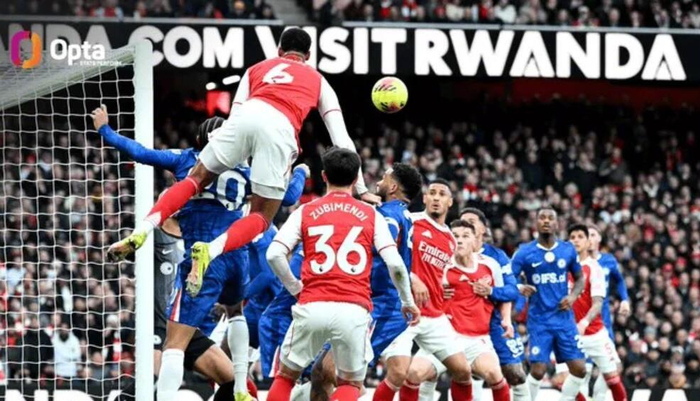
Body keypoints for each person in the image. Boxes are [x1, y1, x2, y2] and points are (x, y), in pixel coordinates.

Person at [107, 28, 380, 299]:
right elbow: (341, 138)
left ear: (279, 51)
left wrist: (226, 148)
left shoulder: (255, 69)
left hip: (245, 116)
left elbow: (235, 112)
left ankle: (142, 229)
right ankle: (210, 250)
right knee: (261, 217)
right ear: (308, 55)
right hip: (280, 128)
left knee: (194, 179)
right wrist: (361, 188)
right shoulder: (318, 80)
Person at [91, 110, 303, 400]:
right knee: (236, 312)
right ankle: (240, 387)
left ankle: (168, 397)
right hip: (235, 254)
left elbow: (139, 152)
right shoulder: (246, 170)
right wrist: (298, 170)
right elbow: (288, 197)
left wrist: (105, 130)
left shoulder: (189, 160)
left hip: (202, 258)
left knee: (174, 347)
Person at [265, 148, 419, 401]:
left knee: (286, 377)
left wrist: (295, 288)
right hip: (354, 308)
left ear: (324, 176)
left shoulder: (306, 210)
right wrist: (407, 301)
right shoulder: (372, 215)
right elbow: (395, 264)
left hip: (312, 303)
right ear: (356, 179)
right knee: (350, 383)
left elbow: (274, 255)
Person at [374, 180, 474, 401]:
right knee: (398, 374)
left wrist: (442, 288)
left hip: (433, 315)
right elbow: (387, 255)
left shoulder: (450, 239)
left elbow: (437, 274)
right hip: (403, 311)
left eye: (442, 194)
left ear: (450, 202)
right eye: (432, 193)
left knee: (463, 371)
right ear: (425, 198)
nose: (436, 197)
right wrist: (412, 277)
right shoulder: (410, 221)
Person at [405, 220, 512, 401]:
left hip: (477, 340)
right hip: (445, 338)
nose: (460, 240)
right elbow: (423, 291)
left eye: (465, 236)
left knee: (495, 374)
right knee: (414, 373)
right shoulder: (441, 266)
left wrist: (506, 320)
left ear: (475, 240)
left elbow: (504, 296)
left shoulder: (490, 265)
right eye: (455, 236)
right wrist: (438, 290)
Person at [448, 207, 529, 401]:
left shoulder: (496, 257)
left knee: (515, 374)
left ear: (483, 229)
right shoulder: (447, 252)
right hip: (455, 323)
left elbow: (511, 291)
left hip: (492, 322)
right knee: (440, 372)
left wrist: (491, 291)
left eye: (471, 222)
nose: (465, 225)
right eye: (462, 221)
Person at [510, 207, 588, 401]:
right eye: (542, 218)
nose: (546, 221)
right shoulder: (524, 252)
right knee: (538, 370)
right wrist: (519, 286)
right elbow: (507, 277)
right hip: (539, 320)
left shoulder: (567, 250)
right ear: (536, 223)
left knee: (579, 369)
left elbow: (580, 278)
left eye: (550, 218)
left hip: (564, 319)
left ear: (557, 223)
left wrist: (573, 296)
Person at [567, 224, 628, 401]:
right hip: (573, 328)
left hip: (600, 324)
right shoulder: (567, 266)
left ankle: (599, 396)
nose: (577, 240)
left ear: (597, 239)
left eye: (592, 235)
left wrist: (624, 300)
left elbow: (620, 281)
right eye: (573, 237)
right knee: (579, 374)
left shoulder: (605, 263)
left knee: (613, 370)